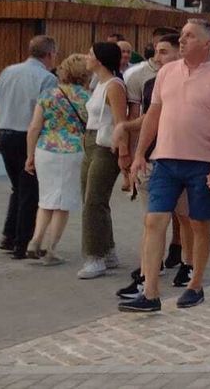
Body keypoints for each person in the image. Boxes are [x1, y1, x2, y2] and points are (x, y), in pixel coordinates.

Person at [120, 19, 210, 312]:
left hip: (203, 162)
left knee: (199, 223)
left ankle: (195, 284)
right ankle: (150, 293)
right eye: (182, 35)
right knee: (154, 220)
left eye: (189, 36)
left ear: (207, 44)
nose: (182, 40)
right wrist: (139, 154)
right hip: (165, 158)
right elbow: (153, 115)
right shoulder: (167, 73)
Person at [112, 32, 180, 298]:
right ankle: (147, 276)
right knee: (152, 220)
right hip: (155, 157)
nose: (157, 57)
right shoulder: (151, 82)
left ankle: (189, 269)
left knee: (188, 221)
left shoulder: (196, 81)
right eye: (156, 51)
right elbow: (148, 118)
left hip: (183, 158)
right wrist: (134, 149)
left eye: (164, 51)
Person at [0, 36, 60, 259]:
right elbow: (46, 113)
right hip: (29, 137)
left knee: (17, 187)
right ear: (48, 55)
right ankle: (23, 243)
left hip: (6, 133)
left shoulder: (8, 71)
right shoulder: (47, 79)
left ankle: (8, 236)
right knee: (30, 190)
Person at [22, 53, 92, 266]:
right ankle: (50, 249)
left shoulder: (48, 94)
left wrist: (30, 155)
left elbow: (34, 127)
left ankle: (35, 240)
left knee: (46, 199)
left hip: (46, 149)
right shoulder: (87, 97)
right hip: (73, 151)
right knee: (63, 202)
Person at [79, 41, 131, 279]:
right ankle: (107, 249)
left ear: (100, 59)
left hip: (105, 145)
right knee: (91, 199)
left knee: (94, 200)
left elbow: (121, 121)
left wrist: (123, 153)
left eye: (90, 54)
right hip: (91, 141)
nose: (86, 57)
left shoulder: (113, 86)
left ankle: (95, 256)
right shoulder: (99, 84)